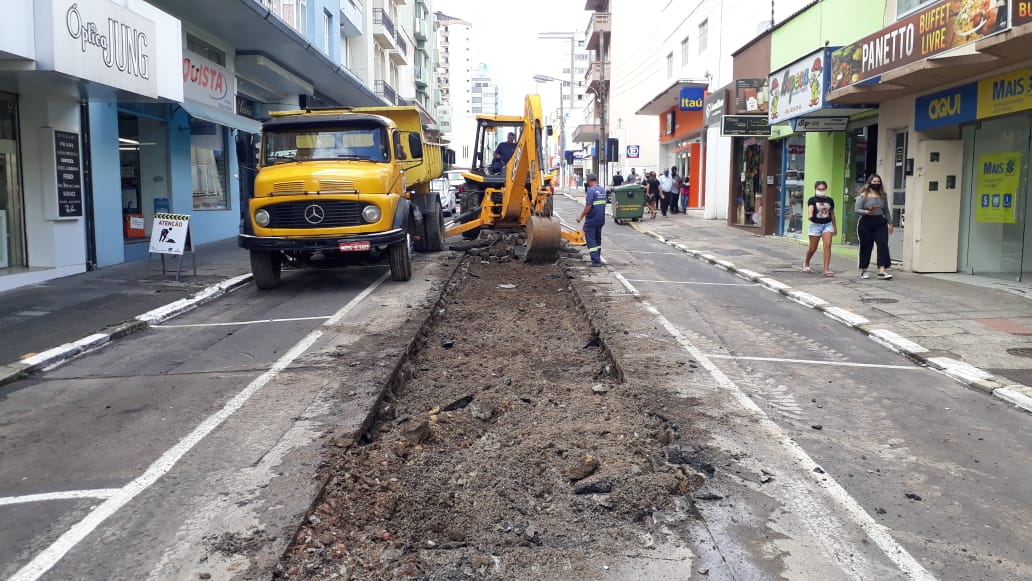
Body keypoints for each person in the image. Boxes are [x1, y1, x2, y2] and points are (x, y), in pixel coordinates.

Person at [855, 174, 893, 279]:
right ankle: (864, 270)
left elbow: (886, 210)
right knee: (866, 246)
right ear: (869, 182)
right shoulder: (863, 195)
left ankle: (881, 270)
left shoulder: (882, 195)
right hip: (866, 223)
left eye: (878, 181)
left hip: (880, 222)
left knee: (882, 245)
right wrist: (867, 211)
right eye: (874, 181)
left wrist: (890, 223)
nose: (876, 183)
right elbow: (857, 210)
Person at [803, 180, 837, 277]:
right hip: (815, 225)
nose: (821, 191)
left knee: (827, 245)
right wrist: (810, 215)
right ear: (815, 189)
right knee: (813, 247)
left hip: (827, 224)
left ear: (826, 189)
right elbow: (810, 210)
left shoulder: (830, 200)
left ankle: (826, 269)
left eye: (823, 189)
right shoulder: (812, 200)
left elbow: (832, 214)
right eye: (819, 189)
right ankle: (806, 262)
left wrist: (835, 227)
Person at [576, 174, 607, 266]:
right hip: (601, 219)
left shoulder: (591, 191)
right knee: (597, 239)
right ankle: (598, 257)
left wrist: (580, 217)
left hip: (592, 219)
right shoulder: (602, 190)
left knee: (590, 238)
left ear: (589, 181)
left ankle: (596, 260)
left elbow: (588, 206)